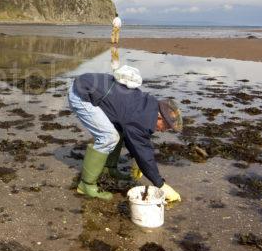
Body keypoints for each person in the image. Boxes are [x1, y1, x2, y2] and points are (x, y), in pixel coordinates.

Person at [68, 72, 182, 202]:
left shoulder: (149, 106)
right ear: (160, 116)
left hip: (89, 85)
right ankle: (86, 185)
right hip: (81, 94)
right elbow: (143, 150)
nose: (163, 131)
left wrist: (137, 160)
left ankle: (108, 169)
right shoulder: (141, 117)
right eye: (166, 126)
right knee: (108, 137)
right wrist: (160, 184)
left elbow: (134, 137)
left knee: (120, 131)